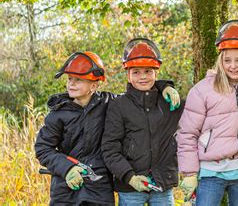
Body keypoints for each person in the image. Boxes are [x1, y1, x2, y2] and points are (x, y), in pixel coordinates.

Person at [177, 20, 238, 206]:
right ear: (220, 61)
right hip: (211, 173)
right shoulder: (202, 91)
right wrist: (190, 173)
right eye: (227, 60)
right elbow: (187, 134)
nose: (233, 66)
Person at [101, 38, 184, 205]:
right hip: (131, 188)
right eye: (136, 72)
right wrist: (129, 177)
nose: (143, 77)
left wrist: (166, 86)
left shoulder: (168, 102)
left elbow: (200, 111)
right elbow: (110, 149)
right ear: (128, 74)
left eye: (148, 71)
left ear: (156, 73)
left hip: (162, 185)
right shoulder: (118, 105)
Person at [35, 51, 115, 205]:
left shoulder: (108, 103)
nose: (71, 83)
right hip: (65, 189)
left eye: (78, 80)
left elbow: (136, 97)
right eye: (70, 79)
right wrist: (67, 168)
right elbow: (43, 148)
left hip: (99, 189)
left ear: (94, 85)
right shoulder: (58, 114)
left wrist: (163, 86)